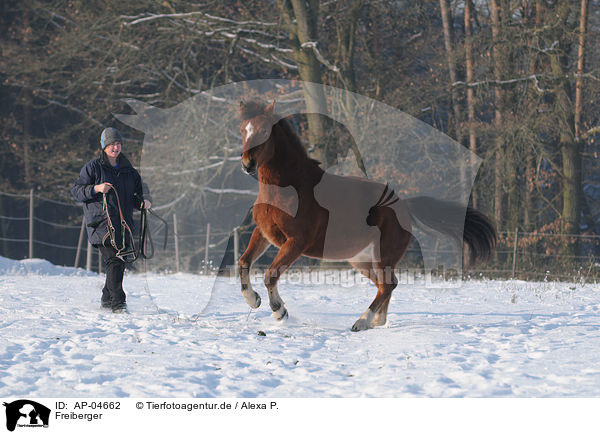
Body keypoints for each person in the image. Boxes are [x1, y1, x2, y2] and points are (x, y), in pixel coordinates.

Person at [71, 127, 151, 313]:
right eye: (111, 144)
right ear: (104, 147)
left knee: (118, 262)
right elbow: (76, 190)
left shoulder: (129, 171)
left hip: (122, 226)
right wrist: (95, 189)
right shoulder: (93, 168)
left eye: (118, 144)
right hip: (101, 224)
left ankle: (106, 300)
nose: (115, 148)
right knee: (115, 261)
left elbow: (139, 193)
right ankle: (118, 304)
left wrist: (143, 202)